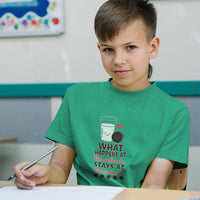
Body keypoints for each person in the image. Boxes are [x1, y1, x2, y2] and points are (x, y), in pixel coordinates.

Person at [13, 0, 190, 190]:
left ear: (152, 47)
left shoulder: (174, 112)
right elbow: (59, 169)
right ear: (99, 49)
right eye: (108, 49)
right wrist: (44, 173)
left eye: (130, 47)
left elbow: (154, 184)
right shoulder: (76, 98)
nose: (118, 60)